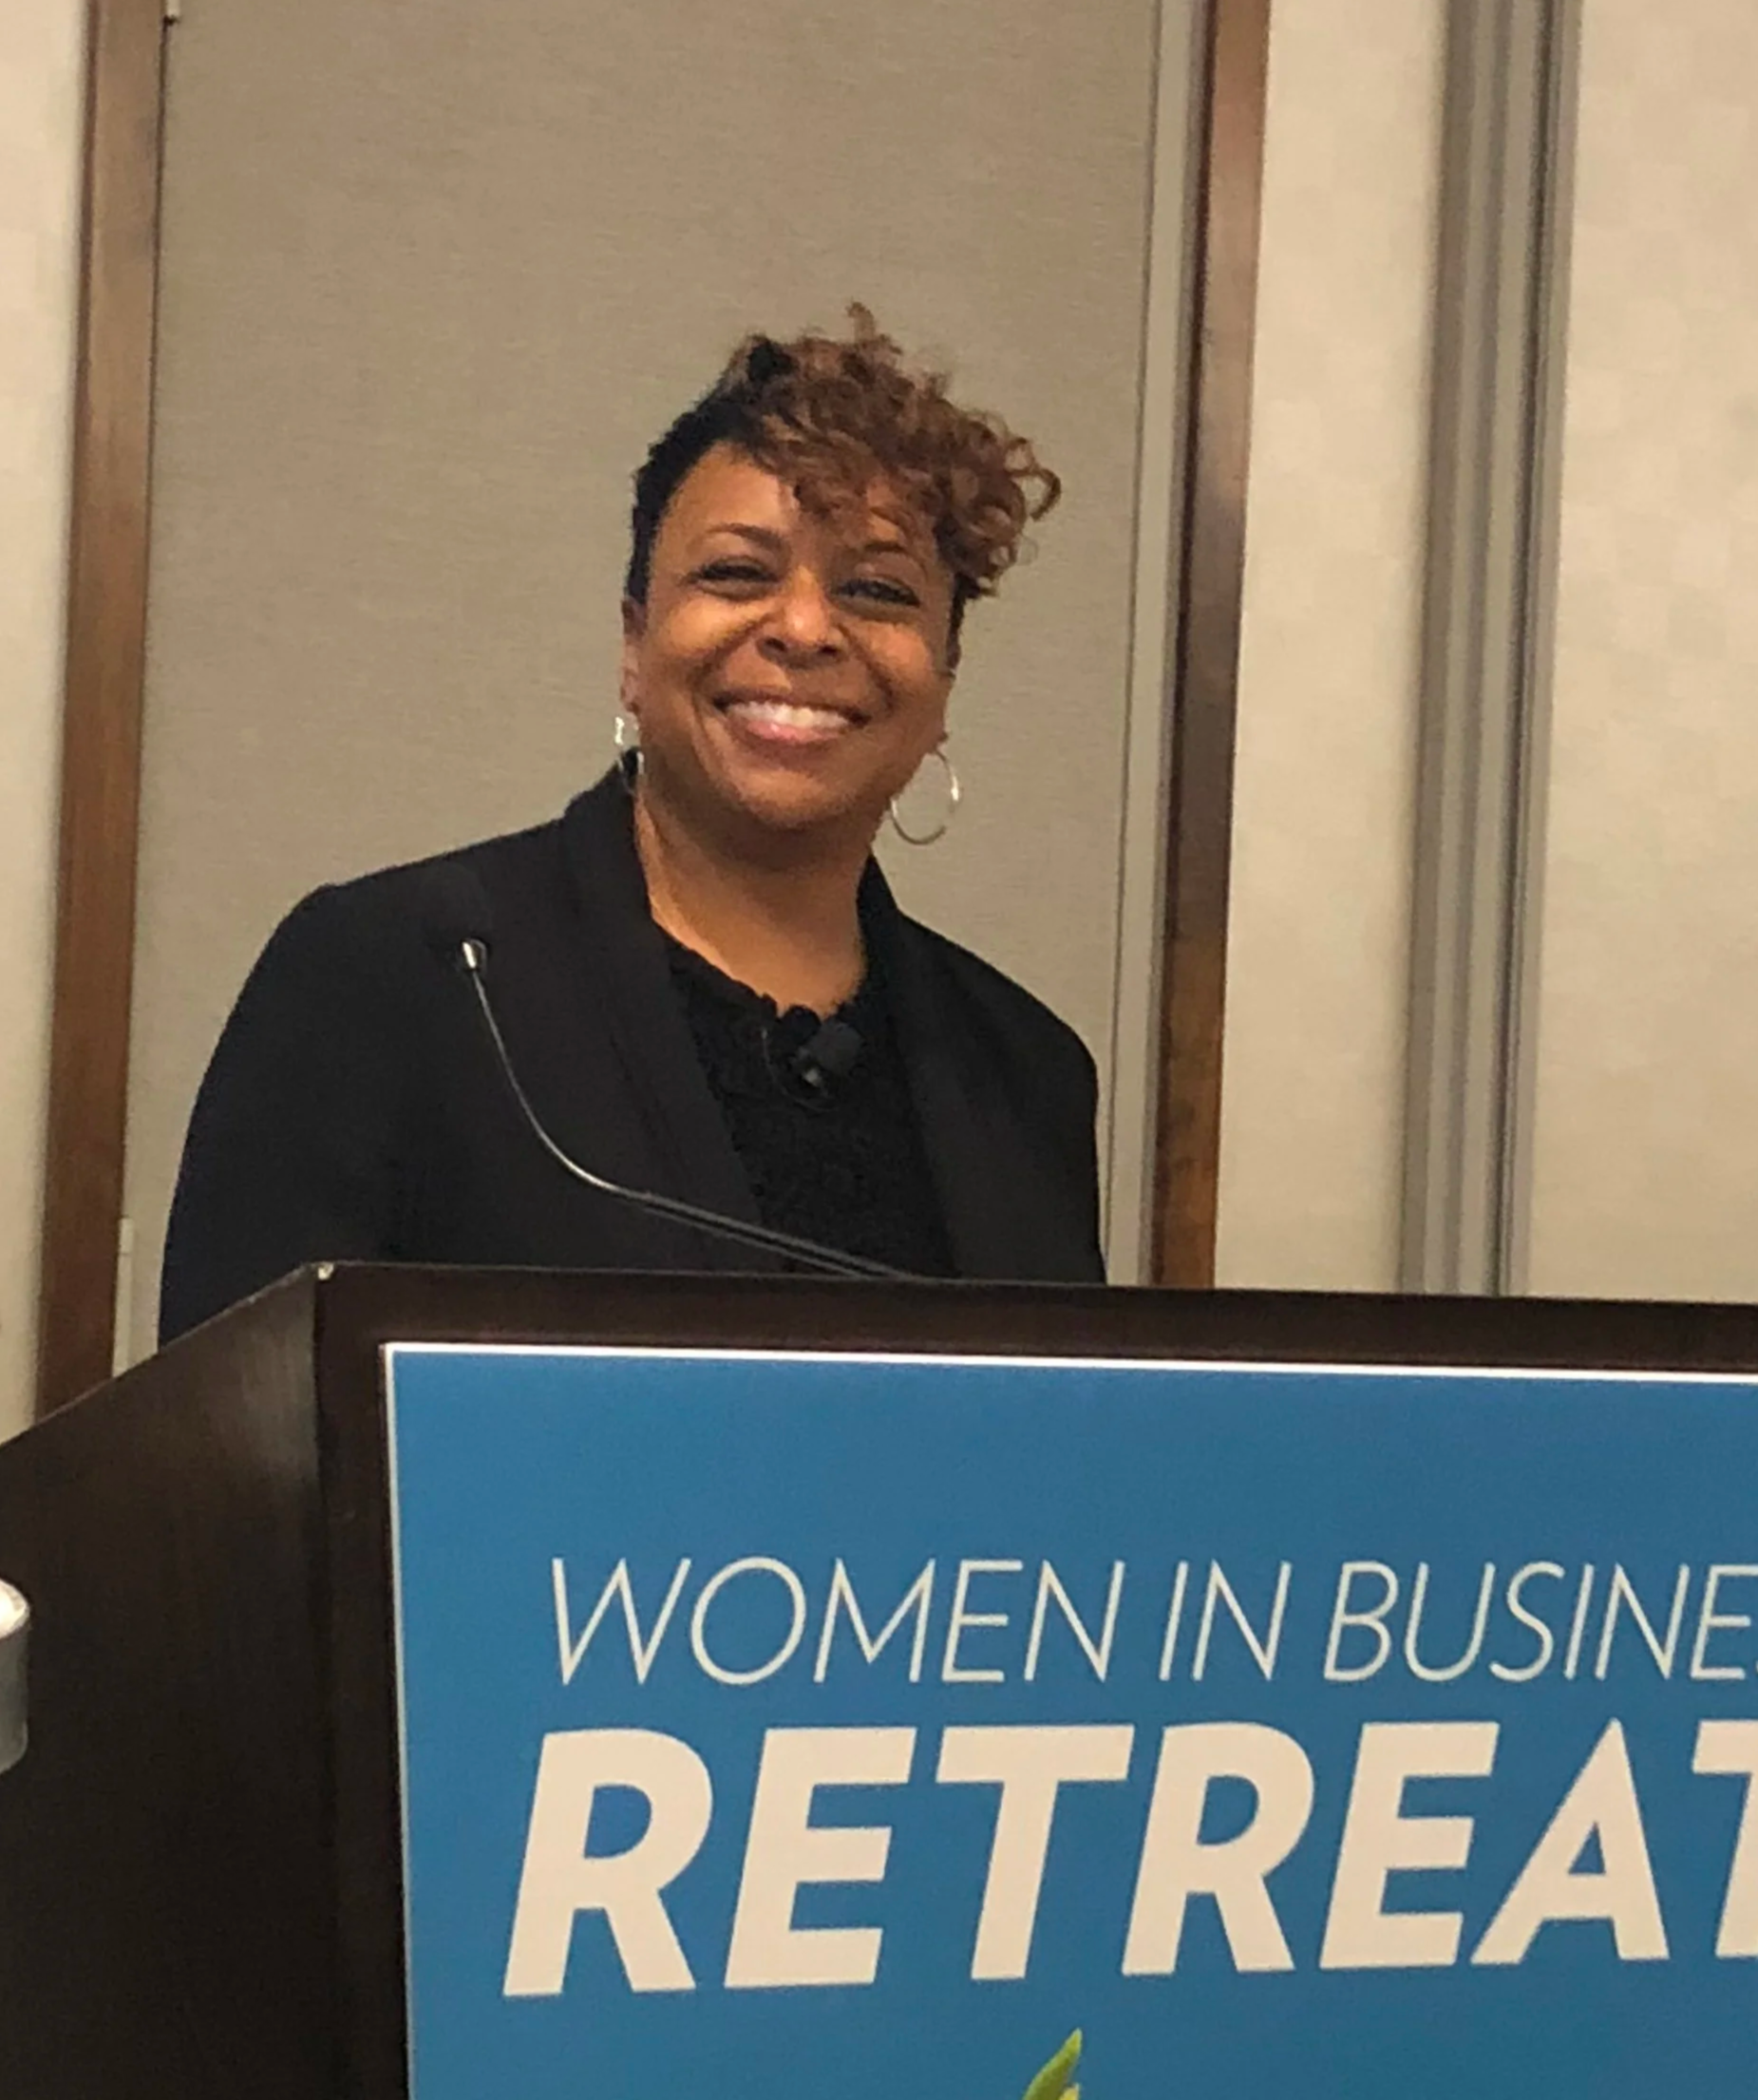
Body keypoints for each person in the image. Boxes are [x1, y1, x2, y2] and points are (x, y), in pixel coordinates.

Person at [157, 312, 1104, 1340]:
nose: (802, 628)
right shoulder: (394, 978)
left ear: (944, 682)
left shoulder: (1026, 1069)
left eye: (876, 590)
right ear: (633, 644)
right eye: (737, 572)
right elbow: (230, 1466)